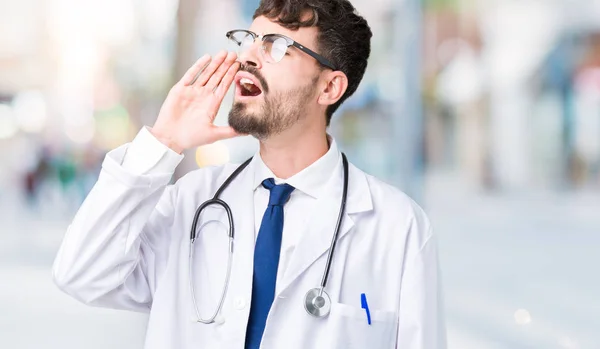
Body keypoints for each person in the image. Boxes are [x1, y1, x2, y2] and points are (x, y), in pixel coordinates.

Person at [52, 0, 447, 348]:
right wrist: (164, 141)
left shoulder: (398, 228)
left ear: (329, 87)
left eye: (276, 46)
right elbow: (81, 274)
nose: (248, 57)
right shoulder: (191, 202)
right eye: (248, 40)